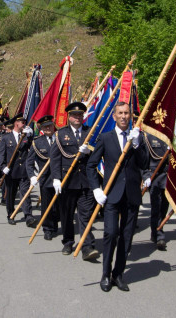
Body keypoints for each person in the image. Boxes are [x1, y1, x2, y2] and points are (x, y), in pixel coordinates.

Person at [87, 101, 149, 292]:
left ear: (130, 117)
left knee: (127, 236)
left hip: (131, 194)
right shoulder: (106, 138)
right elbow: (91, 165)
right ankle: (105, 274)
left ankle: (118, 274)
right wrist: (96, 189)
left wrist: (137, 144)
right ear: (114, 116)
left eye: (127, 113)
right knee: (111, 233)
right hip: (111, 194)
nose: (123, 116)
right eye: (120, 113)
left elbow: (144, 163)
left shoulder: (137, 138)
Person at [51, 102, 98, 259]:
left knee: (85, 215)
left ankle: (87, 246)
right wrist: (56, 178)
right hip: (67, 181)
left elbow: (98, 153)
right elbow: (55, 159)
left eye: (80, 115)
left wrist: (89, 150)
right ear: (69, 117)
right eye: (74, 115)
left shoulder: (90, 132)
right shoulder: (60, 134)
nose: (77, 118)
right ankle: (68, 241)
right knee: (67, 214)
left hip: (86, 181)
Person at [0, 113, 35, 226]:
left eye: (24, 122)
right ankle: (10, 214)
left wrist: (31, 136)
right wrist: (3, 167)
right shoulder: (5, 138)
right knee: (11, 195)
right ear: (16, 123)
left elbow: (32, 149)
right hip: (11, 171)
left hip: (23, 170)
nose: (24, 124)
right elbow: (1, 154)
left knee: (25, 193)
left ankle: (28, 215)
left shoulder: (26, 137)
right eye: (22, 122)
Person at [26, 115, 59, 240]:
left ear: (53, 125)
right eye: (45, 127)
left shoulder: (60, 138)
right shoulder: (37, 142)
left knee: (59, 205)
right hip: (45, 178)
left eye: (50, 125)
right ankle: (48, 228)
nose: (48, 128)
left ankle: (56, 225)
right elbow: (29, 162)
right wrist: (32, 176)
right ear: (42, 129)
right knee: (46, 205)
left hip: (60, 177)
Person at [143, 132, 169, 251]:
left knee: (164, 207)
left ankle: (156, 230)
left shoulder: (171, 136)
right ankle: (159, 234)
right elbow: (145, 160)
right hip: (155, 177)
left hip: (169, 177)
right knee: (156, 207)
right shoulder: (149, 137)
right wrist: (146, 176)